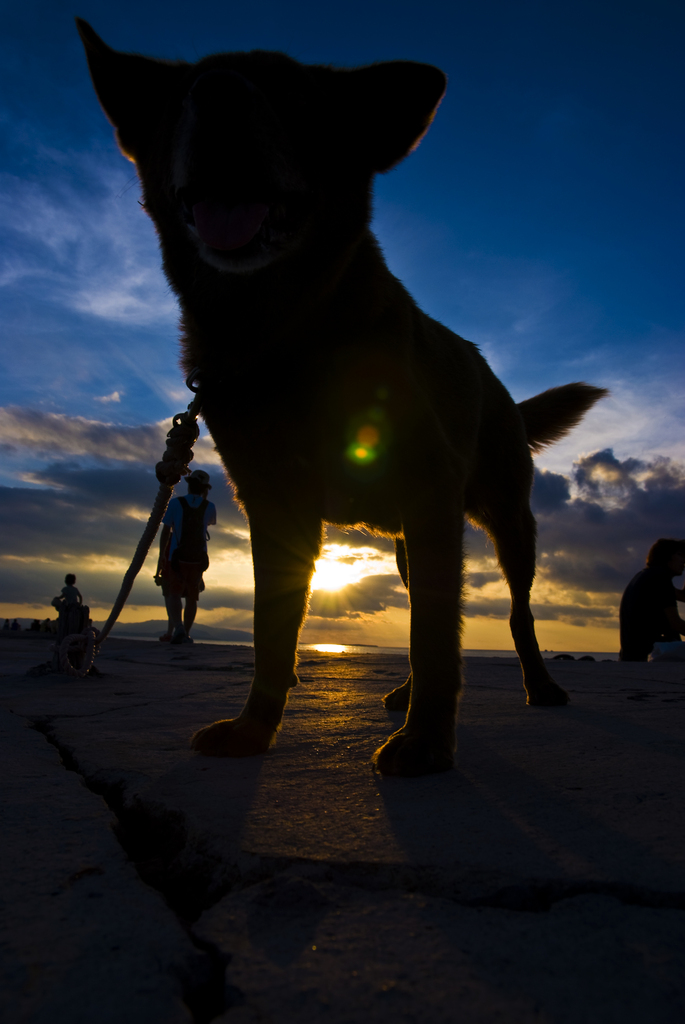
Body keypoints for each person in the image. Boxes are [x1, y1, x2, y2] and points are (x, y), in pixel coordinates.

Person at [155, 469, 216, 644]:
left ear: (189, 485)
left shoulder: (175, 503)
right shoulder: (210, 507)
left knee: (174, 594)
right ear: (204, 489)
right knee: (192, 597)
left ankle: (179, 629)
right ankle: (186, 634)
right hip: (198, 558)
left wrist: (161, 555)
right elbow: (208, 524)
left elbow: (166, 530)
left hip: (177, 556)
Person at [619, 538, 685, 661]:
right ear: (666, 556)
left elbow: (684, 596)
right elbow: (676, 624)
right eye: (680, 555)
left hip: (632, 654)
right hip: (648, 654)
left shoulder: (648, 576)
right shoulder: (659, 578)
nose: (684, 560)